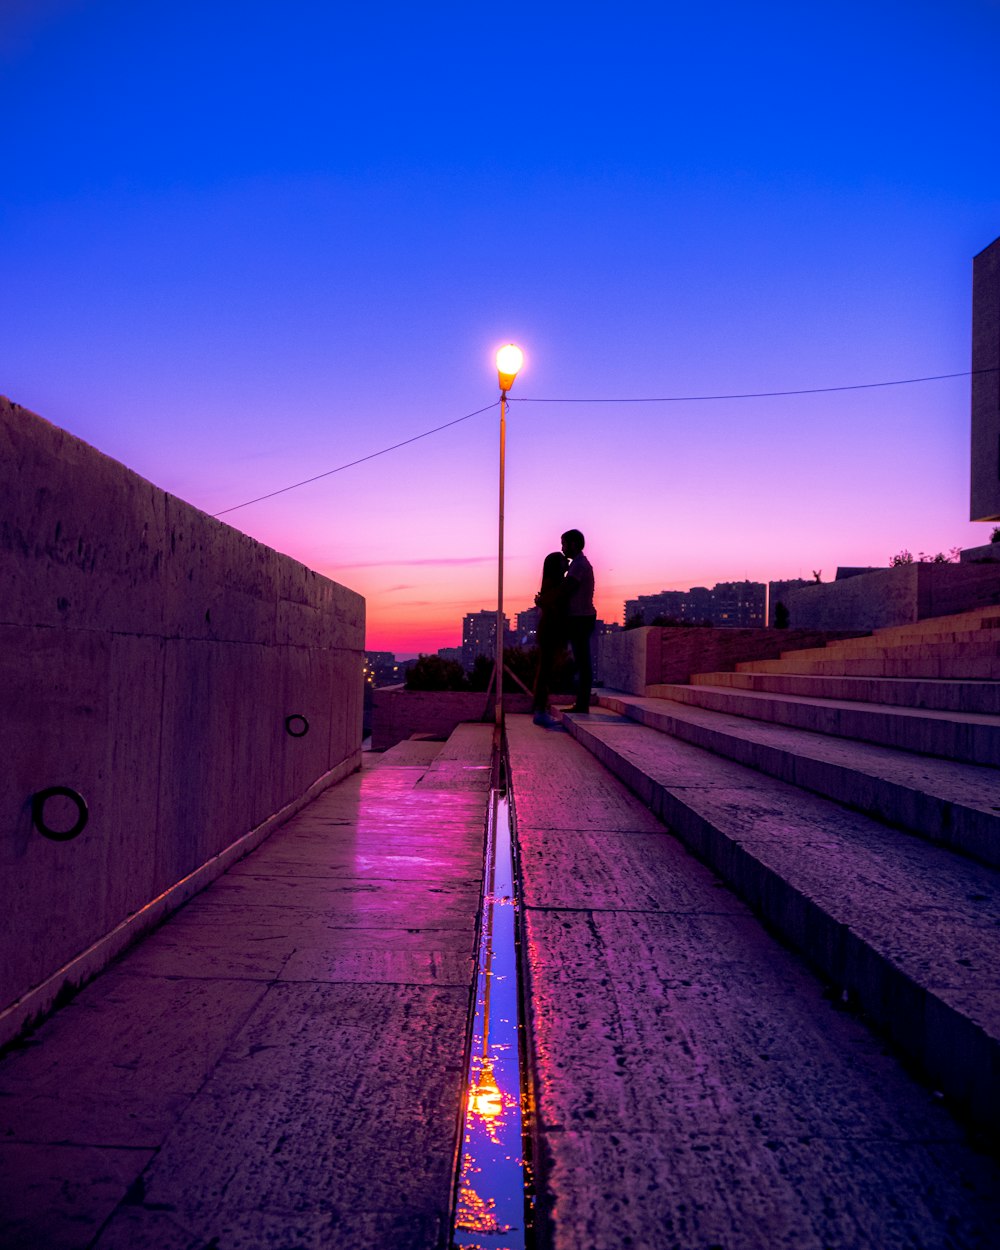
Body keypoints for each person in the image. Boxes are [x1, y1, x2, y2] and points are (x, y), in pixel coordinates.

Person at [559, 529, 597, 714]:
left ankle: (582, 704)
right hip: (580, 618)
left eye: (564, 543)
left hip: (581, 618)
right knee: (581, 661)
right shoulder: (578, 564)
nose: (562, 548)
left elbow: (567, 589)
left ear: (573, 544)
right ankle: (581, 703)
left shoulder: (579, 565)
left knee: (582, 662)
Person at [531, 551, 569, 726]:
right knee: (545, 671)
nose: (566, 562)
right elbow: (554, 607)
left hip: (548, 629)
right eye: (563, 561)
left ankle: (541, 710)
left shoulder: (552, 585)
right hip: (550, 630)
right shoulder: (555, 585)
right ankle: (540, 710)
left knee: (546, 671)